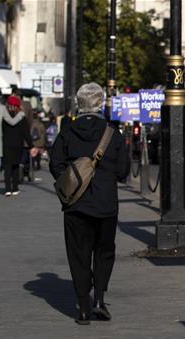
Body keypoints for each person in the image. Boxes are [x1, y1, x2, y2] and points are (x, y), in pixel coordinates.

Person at [50, 83, 130, 325]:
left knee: (78, 254)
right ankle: (100, 299)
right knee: (104, 251)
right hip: (106, 203)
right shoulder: (112, 134)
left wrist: (72, 179)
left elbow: (55, 165)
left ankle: (83, 308)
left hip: (75, 204)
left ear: (79, 104)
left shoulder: (68, 132)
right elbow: (123, 170)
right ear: (100, 103)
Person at [1, 96, 32, 196]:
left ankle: (7, 189)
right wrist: (31, 145)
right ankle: (15, 188)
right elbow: (26, 133)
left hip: (6, 144)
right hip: (18, 145)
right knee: (15, 167)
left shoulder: (4, 117)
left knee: (7, 167)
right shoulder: (22, 118)